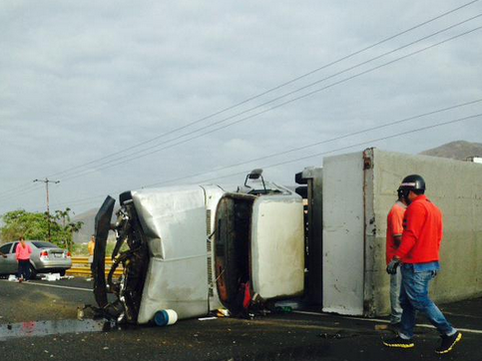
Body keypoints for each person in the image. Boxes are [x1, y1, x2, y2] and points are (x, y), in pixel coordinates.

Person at [383, 174, 462, 354]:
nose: (402, 195)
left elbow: (410, 235)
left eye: (404, 192)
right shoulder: (434, 208)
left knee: (419, 300)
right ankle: (405, 337)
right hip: (428, 262)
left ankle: (449, 332)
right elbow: (438, 237)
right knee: (407, 301)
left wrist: (397, 258)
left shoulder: (415, 208)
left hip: (416, 264)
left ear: (409, 191)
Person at [385, 188, 407, 328]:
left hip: (402, 257)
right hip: (397, 258)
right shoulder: (397, 210)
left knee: (402, 288)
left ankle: (401, 318)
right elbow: (398, 237)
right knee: (397, 288)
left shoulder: (404, 209)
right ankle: (397, 319)